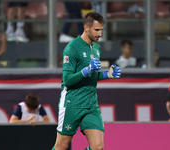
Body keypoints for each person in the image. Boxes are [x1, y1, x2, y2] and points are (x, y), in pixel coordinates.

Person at [52, 12, 121, 150]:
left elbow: (92, 77)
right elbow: (67, 80)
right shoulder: (72, 48)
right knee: (61, 146)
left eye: (101, 30)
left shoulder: (96, 48)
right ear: (86, 28)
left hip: (91, 104)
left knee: (97, 147)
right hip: (72, 103)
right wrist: (87, 70)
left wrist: (107, 74)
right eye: (96, 30)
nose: (100, 34)